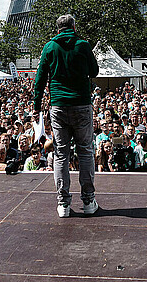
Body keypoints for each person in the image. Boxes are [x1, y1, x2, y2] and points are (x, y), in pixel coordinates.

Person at [32, 14, 100, 218]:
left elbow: (40, 79)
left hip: (59, 106)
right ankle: (88, 201)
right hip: (80, 103)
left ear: (58, 28)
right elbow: (95, 71)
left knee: (61, 154)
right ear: (73, 26)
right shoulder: (83, 45)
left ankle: (63, 204)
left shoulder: (49, 47)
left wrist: (36, 107)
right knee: (86, 151)